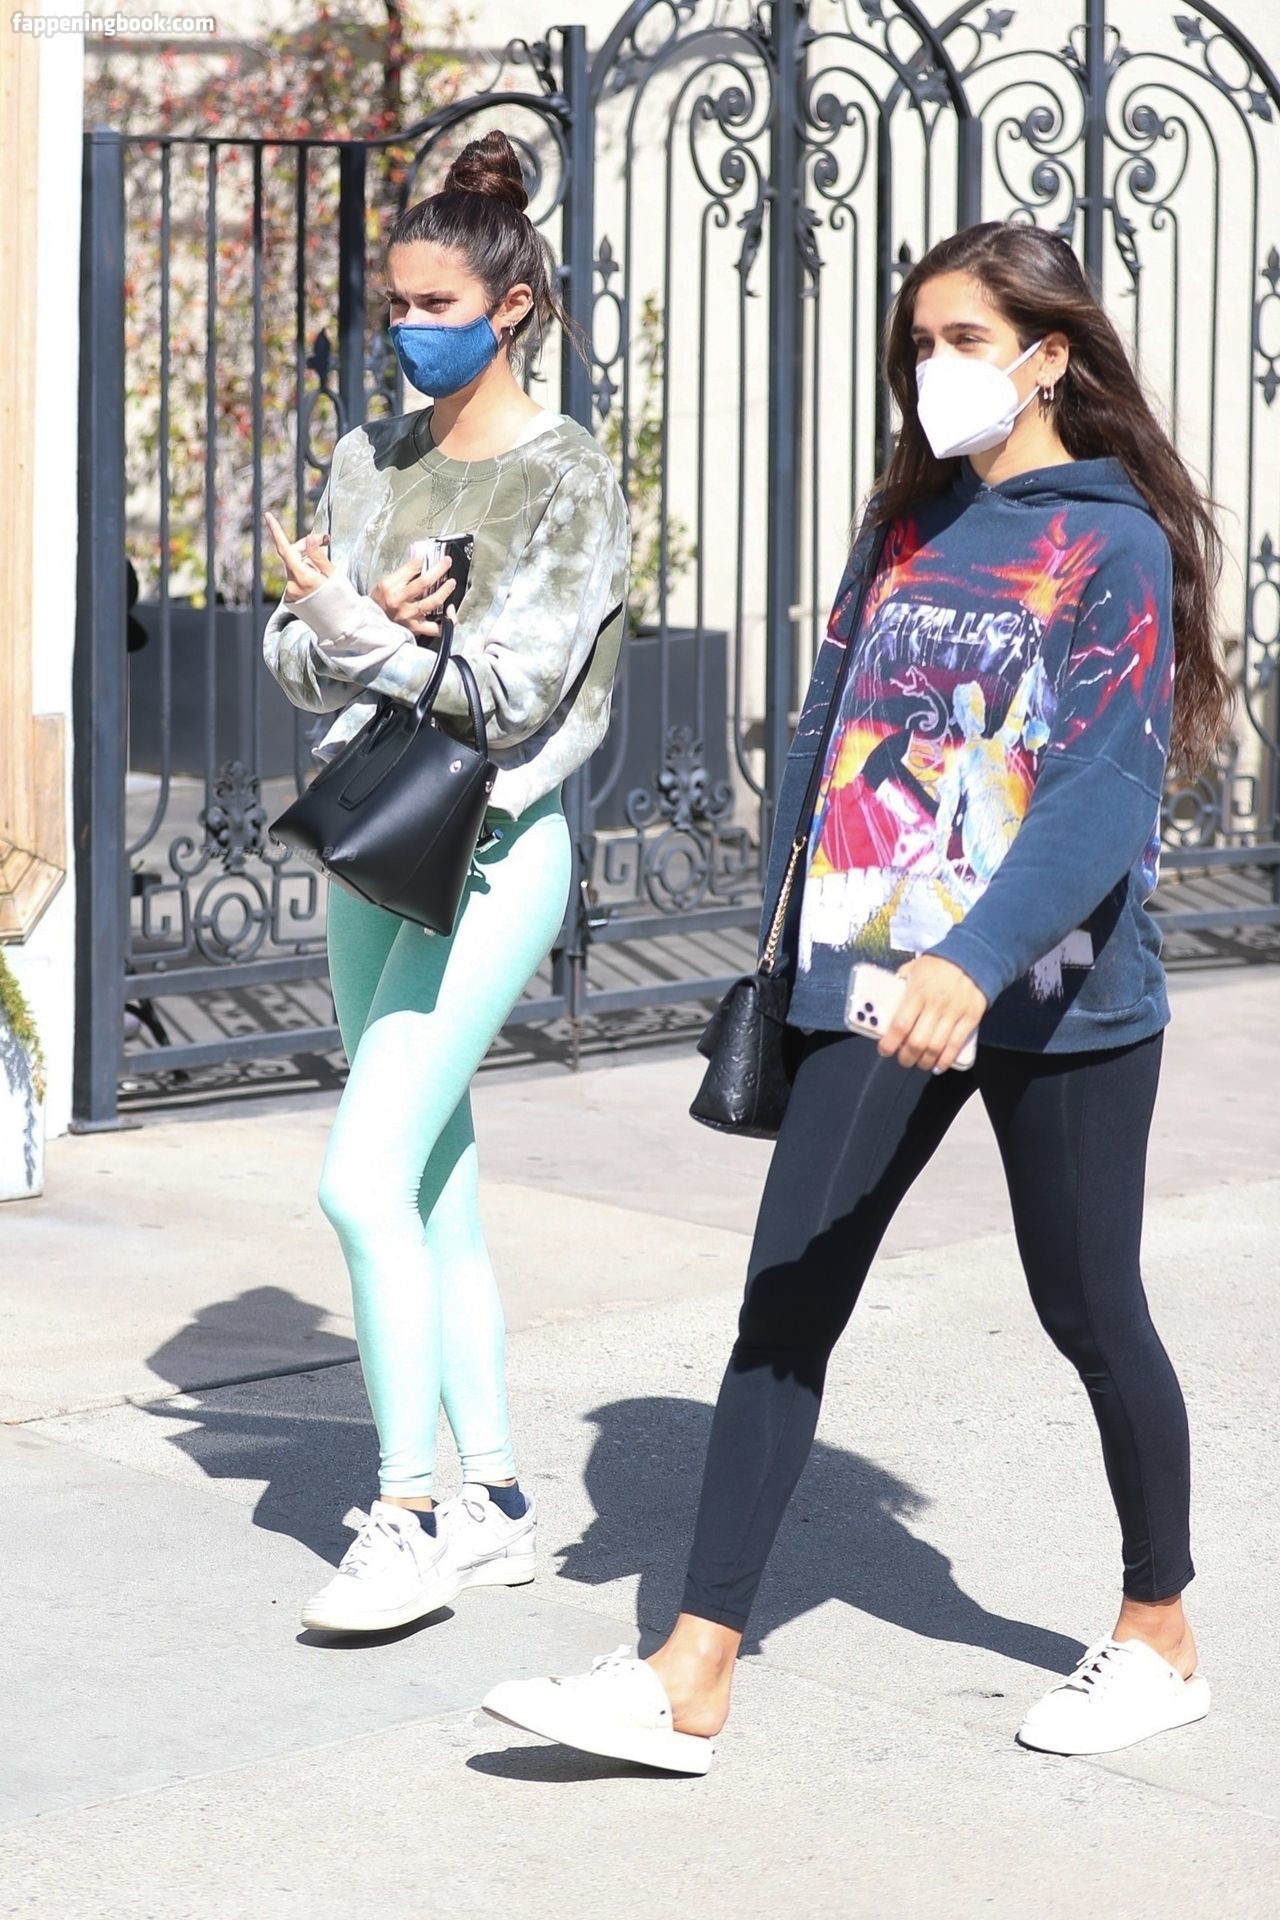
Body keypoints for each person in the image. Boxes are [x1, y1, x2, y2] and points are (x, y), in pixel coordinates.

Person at [481, 221, 1232, 1772]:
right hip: (877, 976)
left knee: (1090, 1309)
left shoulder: (1110, 543)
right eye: (917, 344)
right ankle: (690, 1671)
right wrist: (796, 957)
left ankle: (1158, 1627)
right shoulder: (904, 526)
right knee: (785, 1304)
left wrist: (977, 957)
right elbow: (827, 741)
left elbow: (1100, 790)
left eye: (964, 340)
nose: (932, 369)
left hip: (1058, 994)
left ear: (1048, 357)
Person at [262, 129, 630, 1635]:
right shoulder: (372, 458)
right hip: (376, 844)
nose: (409, 330)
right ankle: (496, 1503)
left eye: (436, 305)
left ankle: (406, 1515)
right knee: (431, 1183)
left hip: (493, 852)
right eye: (396, 305)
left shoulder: (566, 479)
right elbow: (295, 657)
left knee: (357, 1181)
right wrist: (350, 618)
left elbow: (515, 695)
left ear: (513, 306)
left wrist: (376, 637)